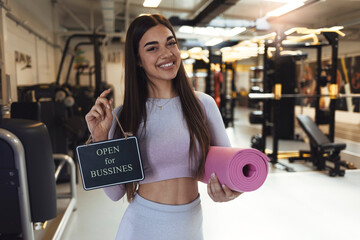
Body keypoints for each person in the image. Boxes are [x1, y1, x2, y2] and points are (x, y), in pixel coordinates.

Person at [85, 14, 242, 240]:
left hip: (190, 226)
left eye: (171, 43)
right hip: (142, 226)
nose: (166, 53)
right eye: (152, 48)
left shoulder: (203, 104)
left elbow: (229, 171)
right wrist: (100, 140)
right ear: (137, 60)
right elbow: (115, 193)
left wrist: (229, 192)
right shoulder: (125, 115)